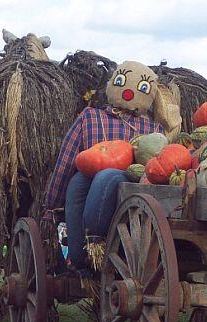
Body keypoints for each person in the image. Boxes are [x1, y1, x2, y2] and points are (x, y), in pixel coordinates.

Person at [44, 61, 166, 276]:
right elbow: (66, 162)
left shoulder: (155, 130)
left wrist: (51, 207)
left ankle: (95, 242)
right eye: (122, 82)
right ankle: (82, 253)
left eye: (142, 88)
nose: (129, 92)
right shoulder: (90, 117)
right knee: (79, 181)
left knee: (106, 176)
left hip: (134, 188)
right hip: (93, 185)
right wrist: (52, 205)